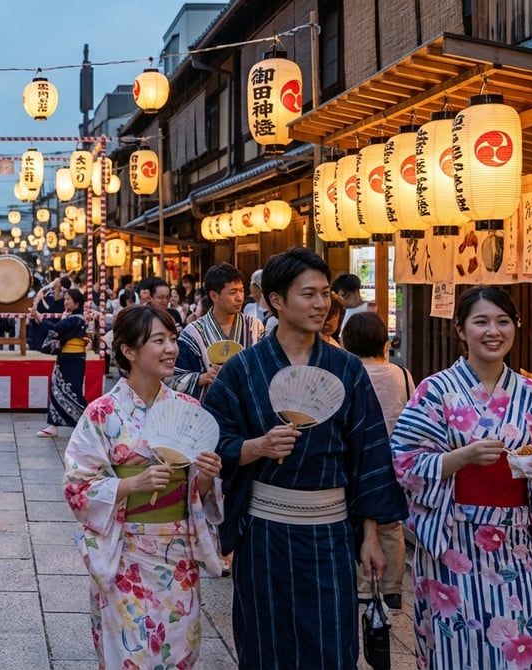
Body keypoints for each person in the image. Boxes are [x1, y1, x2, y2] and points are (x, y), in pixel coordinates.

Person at [202, 247, 406, 668]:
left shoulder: (347, 368)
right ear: (276, 300)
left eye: (325, 293)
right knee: (265, 640)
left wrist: (370, 534)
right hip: (265, 531)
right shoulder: (243, 369)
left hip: (329, 532)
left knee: (331, 641)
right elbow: (210, 440)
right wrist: (254, 447)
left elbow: (367, 454)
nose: (321, 304)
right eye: (308, 294)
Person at [391, 286, 532, 669]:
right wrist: (461, 457)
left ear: (515, 327)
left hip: (513, 542)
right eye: (481, 322)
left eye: (503, 321)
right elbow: (403, 460)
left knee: (517, 645)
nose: (493, 331)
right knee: (454, 644)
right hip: (452, 541)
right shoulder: (435, 390)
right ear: (460, 330)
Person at [64, 304, 224, 668]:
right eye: (158, 340)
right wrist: (131, 484)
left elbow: (197, 493)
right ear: (129, 351)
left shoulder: (186, 406)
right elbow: (77, 485)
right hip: (126, 554)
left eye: (172, 339)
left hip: (178, 553)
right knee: (130, 654)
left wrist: (205, 476)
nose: (171, 348)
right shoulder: (103, 413)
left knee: (179, 652)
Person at [342, 311, 412, 609]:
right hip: (394, 457)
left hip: (358, 456)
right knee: (391, 522)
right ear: (383, 341)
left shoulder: (349, 372)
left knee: (359, 518)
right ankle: (392, 586)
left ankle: (363, 583)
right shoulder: (402, 374)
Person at [171, 263, 265, 402]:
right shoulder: (193, 333)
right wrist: (203, 377)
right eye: (233, 292)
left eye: (241, 290)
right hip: (210, 411)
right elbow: (175, 380)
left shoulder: (255, 327)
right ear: (214, 295)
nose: (239, 297)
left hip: (248, 408)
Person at [35, 287, 89, 438]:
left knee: (74, 392)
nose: (65, 302)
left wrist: (40, 318)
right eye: (65, 299)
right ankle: (53, 425)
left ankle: (87, 422)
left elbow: (56, 330)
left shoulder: (75, 319)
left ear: (77, 303)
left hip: (72, 359)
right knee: (57, 390)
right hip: (67, 358)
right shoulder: (73, 318)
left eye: (68, 300)